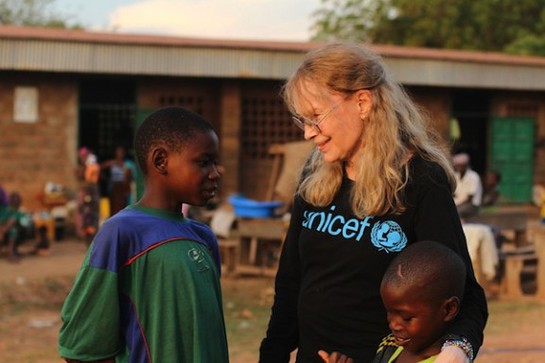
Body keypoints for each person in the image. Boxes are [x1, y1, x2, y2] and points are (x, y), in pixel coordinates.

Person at [259, 42, 487, 363]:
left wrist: (457, 350)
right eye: (302, 121)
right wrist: (273, 355)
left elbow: (466, 293)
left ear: (362, 102)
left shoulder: (420, 181)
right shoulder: (314, 174)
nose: (309, 133)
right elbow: (290, 283)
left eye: (316, 117)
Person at [58, 107, 228, 362]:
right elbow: (80, 348)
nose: (215, 173)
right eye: (204, 162)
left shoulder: (203, 236)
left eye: (215, 163)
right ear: (160, 160)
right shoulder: (121, 233)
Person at [319, 241, 467, 363]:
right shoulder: (392, 345)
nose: (393, 324)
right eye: (389, 312)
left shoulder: (444, 360)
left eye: (407, 318)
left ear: (448, 309)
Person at [76, 146, 100, 245]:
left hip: (90, 194)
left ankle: (91, 240)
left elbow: (92, 180)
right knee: (85, 217)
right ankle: (87, 239)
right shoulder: (82, 168)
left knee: (90, 217)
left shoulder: (92, 167)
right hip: (85, 195)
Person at [101, 146, 133, 215]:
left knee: (123, 207)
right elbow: (101, 167)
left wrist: (120, 165)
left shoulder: (128, 164)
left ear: (124, 154)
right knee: (113, 208)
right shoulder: (112, 163)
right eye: (118, 153)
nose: (119, 155)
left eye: (121, 153)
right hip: (113, 188)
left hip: (123, 189)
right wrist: (106, 178)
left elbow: (130, 173)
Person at [452, 153, 482, 220]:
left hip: (472, 205)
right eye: (457, 165)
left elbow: (469, 198)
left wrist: (456, 205)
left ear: (466, 165)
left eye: (461, 165)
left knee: (456, 212)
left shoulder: (473, 176)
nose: (458, 167)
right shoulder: (456, 176)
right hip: (458, 203)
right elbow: (454, 193)